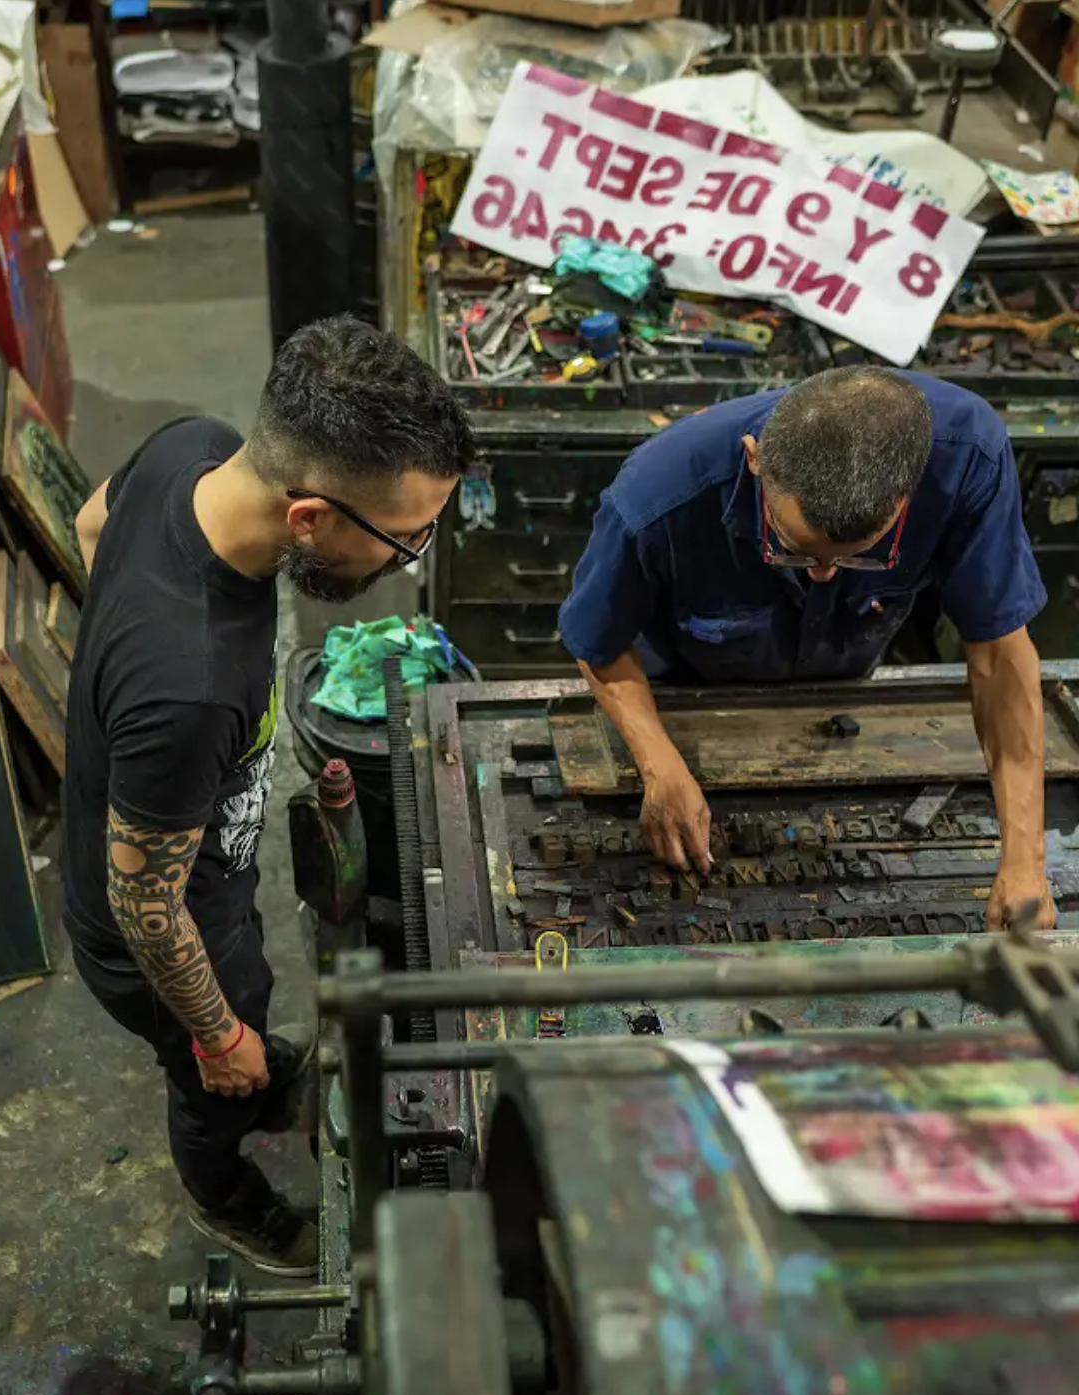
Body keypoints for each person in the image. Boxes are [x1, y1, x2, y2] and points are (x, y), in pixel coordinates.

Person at [62, 315, 475, 1275]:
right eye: (402, 540)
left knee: (246, 1018)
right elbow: (143, 903)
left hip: (202, 879)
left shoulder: (195, 451)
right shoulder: (191, 679)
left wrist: (118, 678)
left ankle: (244, 1056)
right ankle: (226, 1195)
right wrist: (215, 1035)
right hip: (165, 939)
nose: (405, 562)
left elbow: (91, 522)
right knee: (212, 1088)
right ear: (308, 517)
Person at [556, 366, 1054, 931]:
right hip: (684, 693)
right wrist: (659, 763)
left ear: (907, 494)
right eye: (792, 549)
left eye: (855, 557)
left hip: (840, 692)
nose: (820, 578)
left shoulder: (967, 457)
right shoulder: (655, 497)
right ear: (755, 457)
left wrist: (1023, 859)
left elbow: (999, 656)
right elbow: (598, 642)